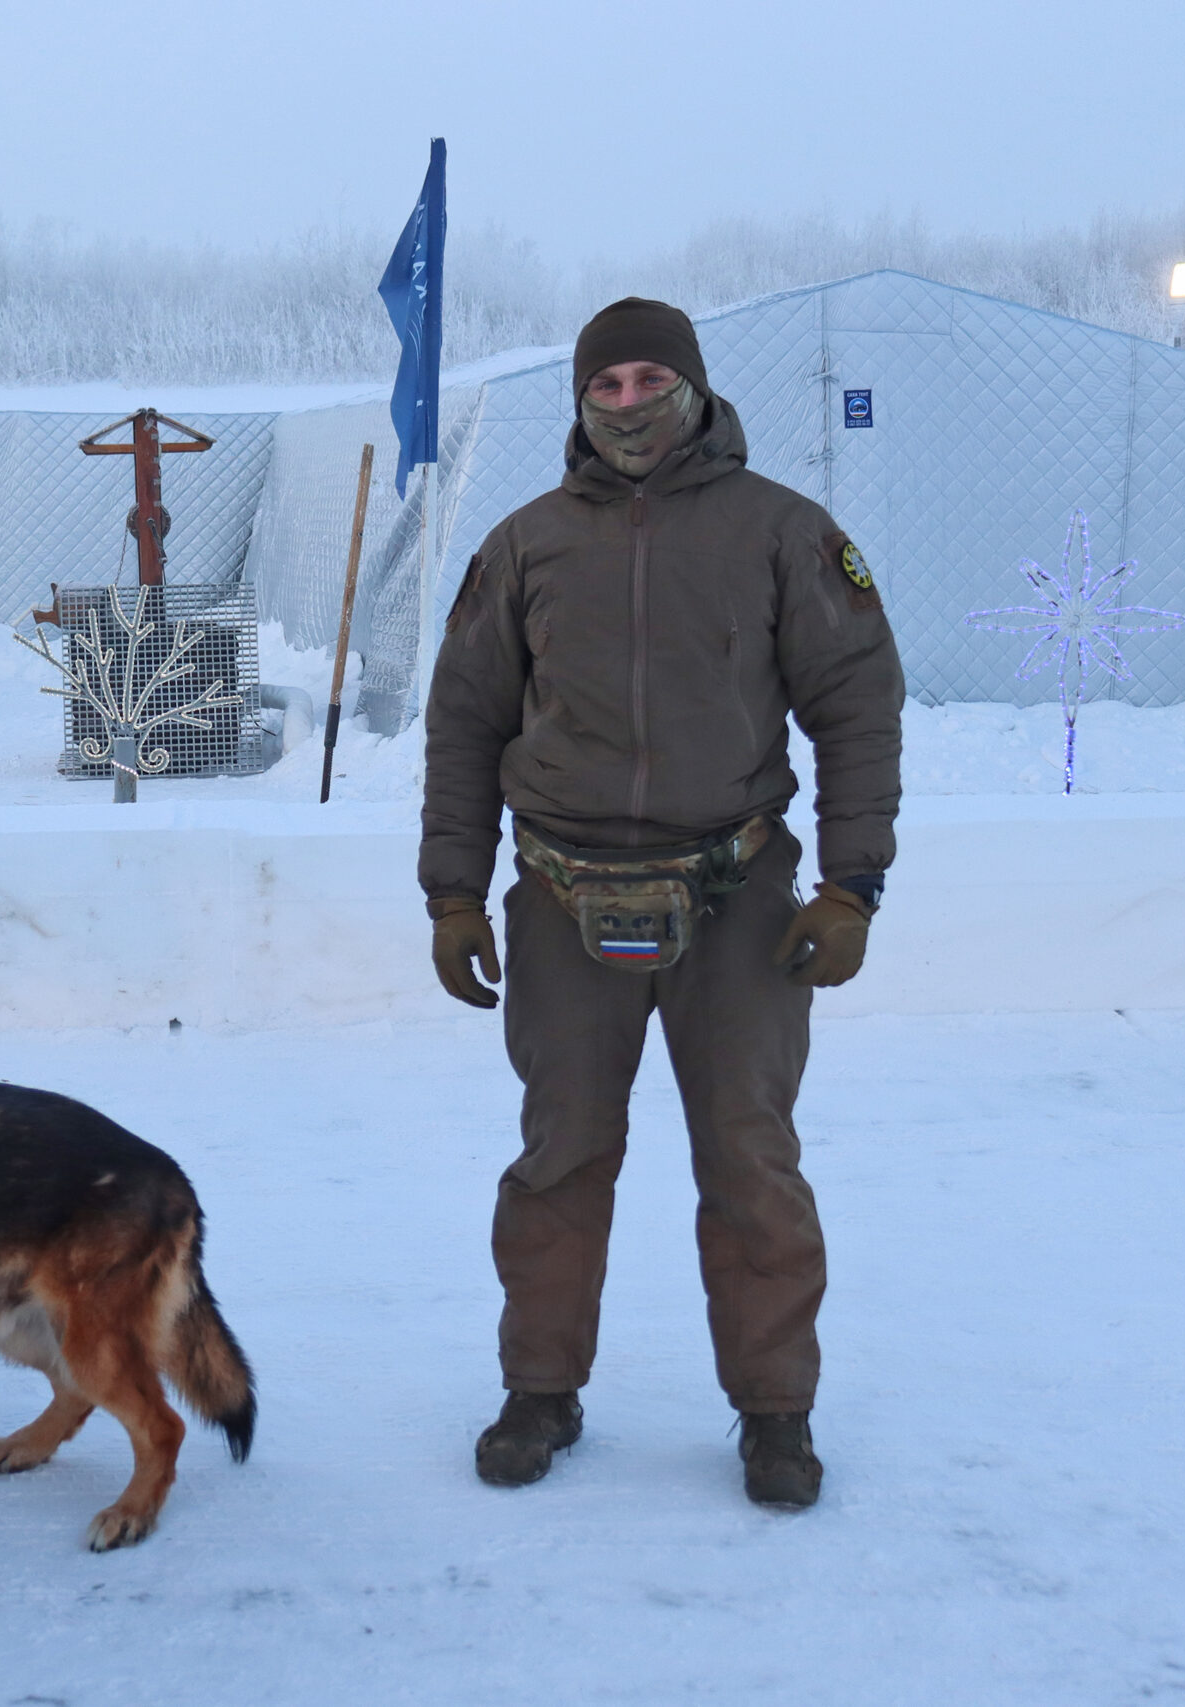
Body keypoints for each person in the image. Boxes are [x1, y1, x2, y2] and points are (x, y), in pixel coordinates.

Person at [420, 297, 904, 1509]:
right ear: (581, 402)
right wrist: (452, 893)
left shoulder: (784, 533)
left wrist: (850, 887)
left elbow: (857, 710)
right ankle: (540, 1390)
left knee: (750, 1161)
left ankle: (775, 1412)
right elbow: (464, 726)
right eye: (607, 385)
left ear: (692, 387)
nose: (628, 404)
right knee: (559, 1159)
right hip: (559, 902)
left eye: (649, 380)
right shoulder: (525, 546)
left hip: (736, 902)